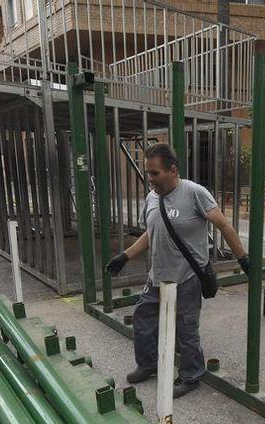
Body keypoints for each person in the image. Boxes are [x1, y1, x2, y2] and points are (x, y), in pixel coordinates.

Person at [105, 143, 250, 398]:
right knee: (143, 319)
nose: (150, 179)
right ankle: (148, 364)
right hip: (157, 276)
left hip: (187, 277)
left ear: (172, 171)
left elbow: (224, 226)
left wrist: (243, 258)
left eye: (155, 173)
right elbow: (153, 232)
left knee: (186, 330)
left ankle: (191, 375)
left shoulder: (195, 193)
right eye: (148, 173)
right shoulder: (152, 197)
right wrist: (125, 256)